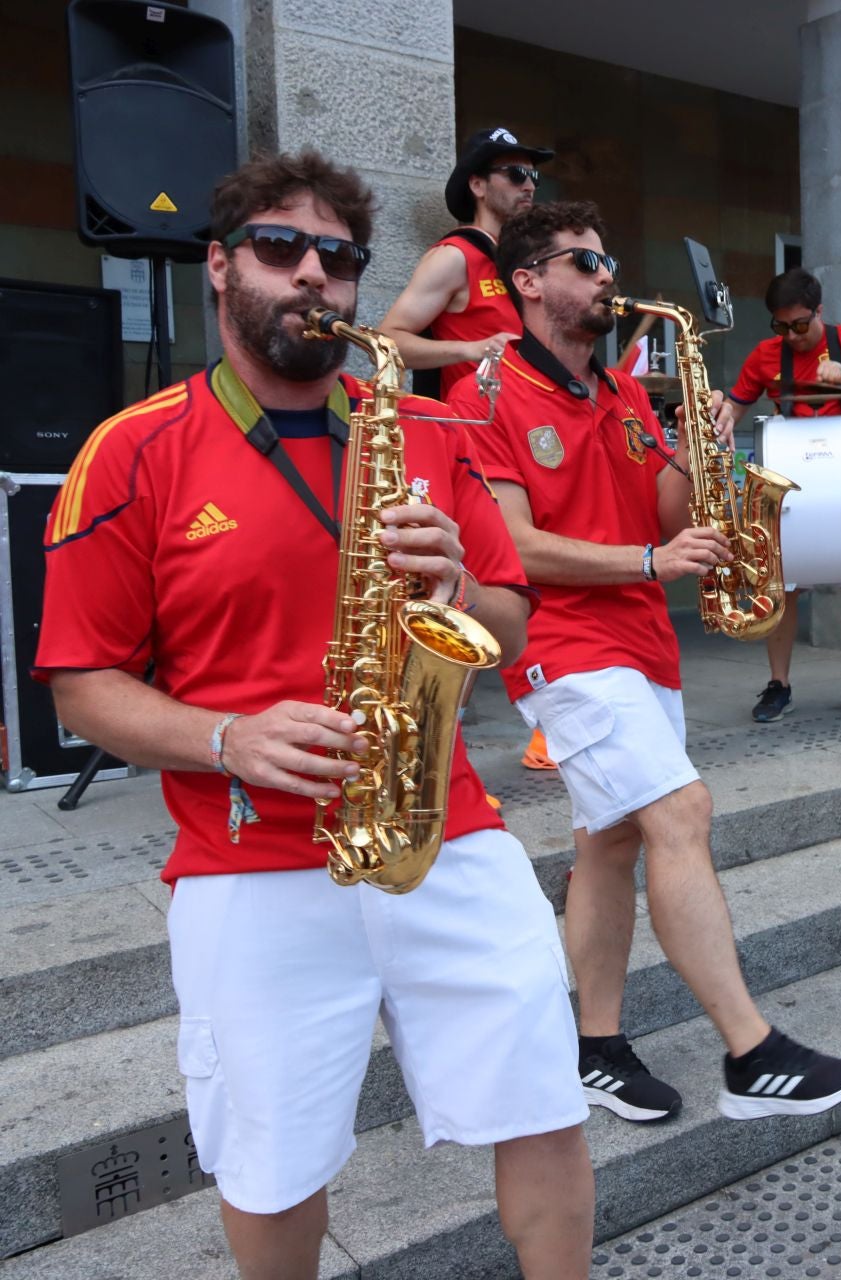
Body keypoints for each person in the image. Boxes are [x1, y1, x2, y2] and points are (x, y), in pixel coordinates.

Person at [35, 151, 592, 1279]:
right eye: (282, 248)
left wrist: (456, 587)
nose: (313, 279)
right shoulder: (131, 451)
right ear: (220, 265)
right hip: (249, 857)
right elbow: (81, 682)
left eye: (338, 260)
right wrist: (225, 737)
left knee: (543, 1103)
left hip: (448, 828)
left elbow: (513, 624)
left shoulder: (429, 436)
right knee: (274, 1158)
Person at [451, 202, 841, 1125]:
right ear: (528, 281)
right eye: (585, 263)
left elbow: (665, 517)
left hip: (643, 643)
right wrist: (648, 564)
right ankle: (751, 1051)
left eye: (607, 262)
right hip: (562, 644)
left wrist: (697, 448)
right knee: (681, 809)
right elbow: (512, 547)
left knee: (610, 840)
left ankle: (594, 1045)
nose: (608, 277)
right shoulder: (484, 395)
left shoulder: (624, 391)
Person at [376, 125, 558, 771]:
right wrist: (466, 349)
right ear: (478, 185)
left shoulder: (528, 268)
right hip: (473, 443)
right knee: (472, 594)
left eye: (533, 174)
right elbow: (390, 337)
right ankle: (432, 753)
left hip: (533, 438)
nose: (528, 182)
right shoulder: (456, 256)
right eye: (514, 173)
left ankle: (544, 724)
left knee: (533, 589)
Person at [714, 269, 841, 722]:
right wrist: (723, 415)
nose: (792, 336)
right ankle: (778, 685)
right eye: (782, 327)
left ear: (819, 312)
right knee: (782, 588)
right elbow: (740, 402)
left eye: (800, 325)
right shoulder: (765, 355)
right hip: (789, 471)